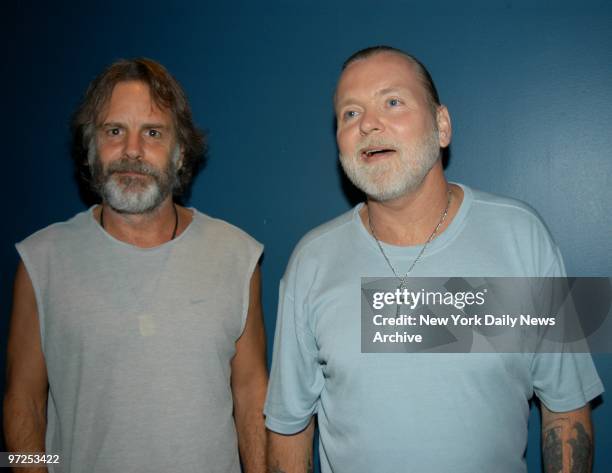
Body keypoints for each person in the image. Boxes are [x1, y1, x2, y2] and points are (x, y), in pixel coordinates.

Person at [265, 46, 604, 473]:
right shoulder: (310, 262)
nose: (368, 123)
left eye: (392, 102)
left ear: (442, 126)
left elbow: (566, 409)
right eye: (350, 114)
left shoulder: (522, 237)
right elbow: (288, 427)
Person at [3, 58, 267, 473]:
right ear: (91, 150)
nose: (131, 150)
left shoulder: (238, 255)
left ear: (180, 154)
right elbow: (23, 401)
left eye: (153, 133)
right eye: (113, 131)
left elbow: (252, 392)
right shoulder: (41, 260)